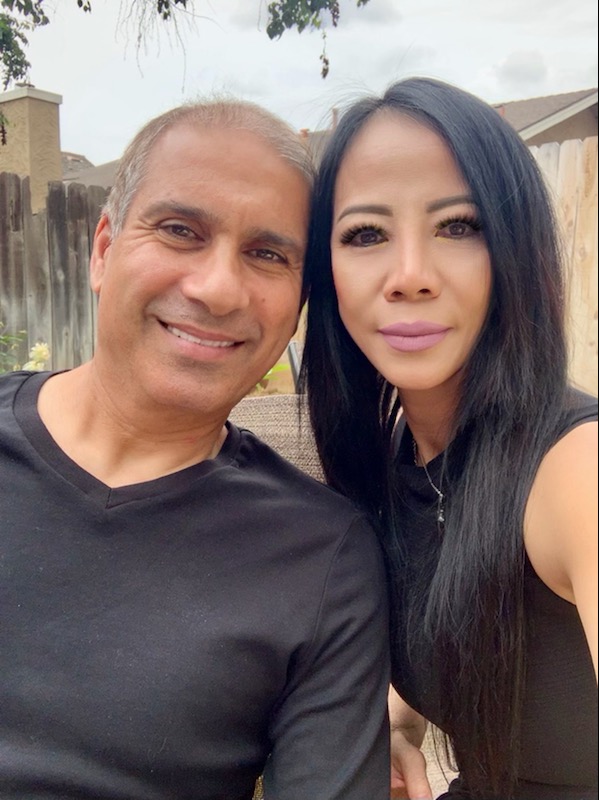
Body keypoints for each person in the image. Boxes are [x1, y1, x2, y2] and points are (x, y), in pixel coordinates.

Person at [0, 99, 391, 800]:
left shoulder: (322, 561)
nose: (216, 289)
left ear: (299, 306)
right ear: (103, 250)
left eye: (267, 254)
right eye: (180, 231)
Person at [301, 77, 598, 799]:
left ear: (515, 248)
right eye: (366, 234)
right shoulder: (400, 462)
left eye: (459, 226)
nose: (410, 276)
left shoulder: (576, 471)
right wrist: (393, 723)